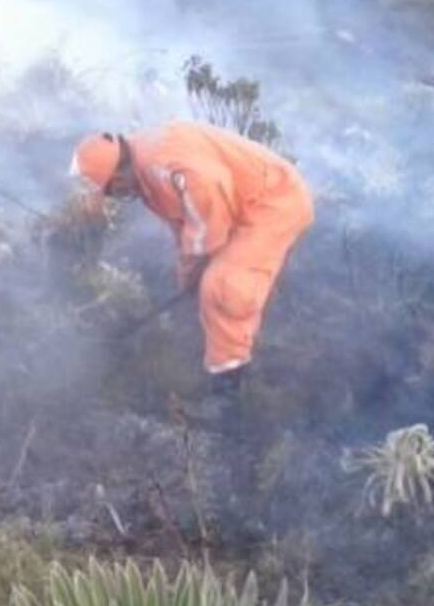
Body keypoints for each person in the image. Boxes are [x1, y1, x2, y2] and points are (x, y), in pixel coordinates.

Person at [69, 121, 314, 423]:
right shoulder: (144, 169)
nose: (115, 197)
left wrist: (204, 272)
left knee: (225, 287)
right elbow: (187, 226)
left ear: (117, 178)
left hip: (274, 202)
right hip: (240, 204)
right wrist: (188, 280)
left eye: (110, 192)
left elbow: (208, 220)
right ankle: (231, 328)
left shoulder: (169, 166)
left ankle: (228, 389)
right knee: (207, 283)